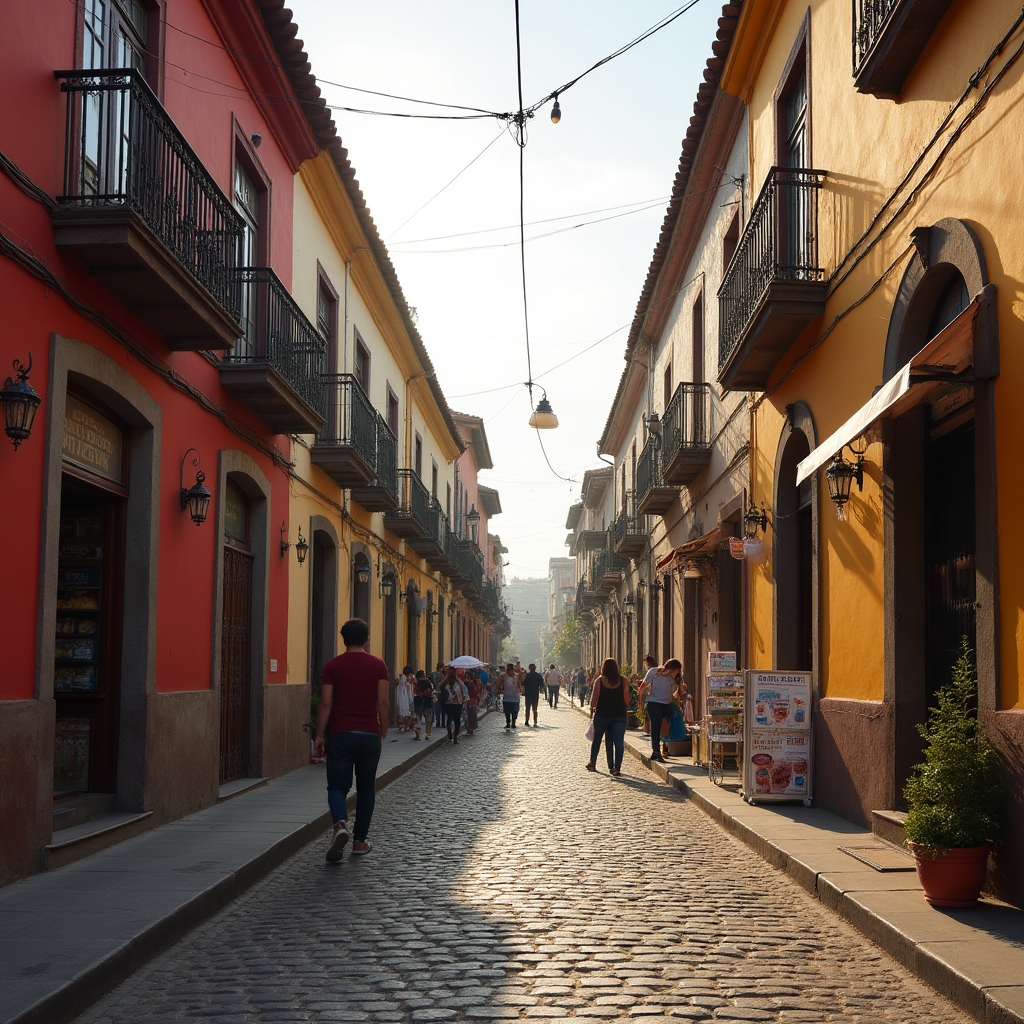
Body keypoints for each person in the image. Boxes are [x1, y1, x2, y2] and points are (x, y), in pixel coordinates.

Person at [314, 618, 389, 860]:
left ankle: (340, 825)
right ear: (366, 639)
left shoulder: (332, 666)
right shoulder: (378, 665)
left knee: (337, 786)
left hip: (341, 734)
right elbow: (383, 702)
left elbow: (326, 702)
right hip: (369, 734)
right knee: (366, 788)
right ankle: (359, 842)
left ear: (343, 639)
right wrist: (383, 730)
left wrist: (318, 735)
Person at [586, 658, 629, 776]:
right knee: (618, 741)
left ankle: (593, 762)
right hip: (619, 715)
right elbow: (626, 701)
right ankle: (616, 767)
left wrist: (591, 711)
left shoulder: (599, 681)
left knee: (597, 740)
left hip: (602, 715)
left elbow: (593, 700)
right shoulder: (623, 680)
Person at [640, 655, 679, 763]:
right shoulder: (653, 671)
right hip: (654, 703)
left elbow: (673, 693)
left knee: (663, 727)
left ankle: (661, 749)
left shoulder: (673, 678)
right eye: (676, 671)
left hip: (666, 704)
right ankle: (656, 750)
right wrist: (641, 699)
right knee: (656, 727)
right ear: (672, 669)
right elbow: (644, 685)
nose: (677, 673)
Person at [444, 668, 467, 743]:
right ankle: (455, 735)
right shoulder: (459, 683)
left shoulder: (445, 682)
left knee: (449, 719)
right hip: (457, 704)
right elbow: (462, 692)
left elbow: (438, 688)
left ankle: (450, 734)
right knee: (457, 720)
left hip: (448, 704)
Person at [499, 663, 522, 729]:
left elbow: (520, 684)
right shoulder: (503, 676)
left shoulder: (517, 676)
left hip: (515, 697)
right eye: (509, 670)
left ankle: (514, 722)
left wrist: (520, 689)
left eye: (511, 670)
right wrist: (498, 690)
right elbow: (499, 683)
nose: (510, 671)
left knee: (515, 711)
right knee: (507, 711)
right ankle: (508, 722)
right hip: (507, 697)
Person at [413, 669, 433, 741]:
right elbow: (431, 691)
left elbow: (414, 692)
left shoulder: (416, 682)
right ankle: (428, 734)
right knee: (428, 719)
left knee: (418, 718)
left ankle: (418, 733)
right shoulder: (428, 682)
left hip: (418, 701)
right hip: (428, 701)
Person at [466, 670, 481, 736]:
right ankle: (472, 726)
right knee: (472, 714)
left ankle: (471, 727)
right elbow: (477, 691)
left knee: (470, 714)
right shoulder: (474, 684)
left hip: (470, 701)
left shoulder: (470, 684)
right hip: (473, 700)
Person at [432, 662, 446, 729]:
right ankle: (442, 723)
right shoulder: (441, 675)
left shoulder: (433, 674)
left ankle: (438, 722)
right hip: (441, 692)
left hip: (435, 692)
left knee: (437, 708)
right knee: (442, 708)